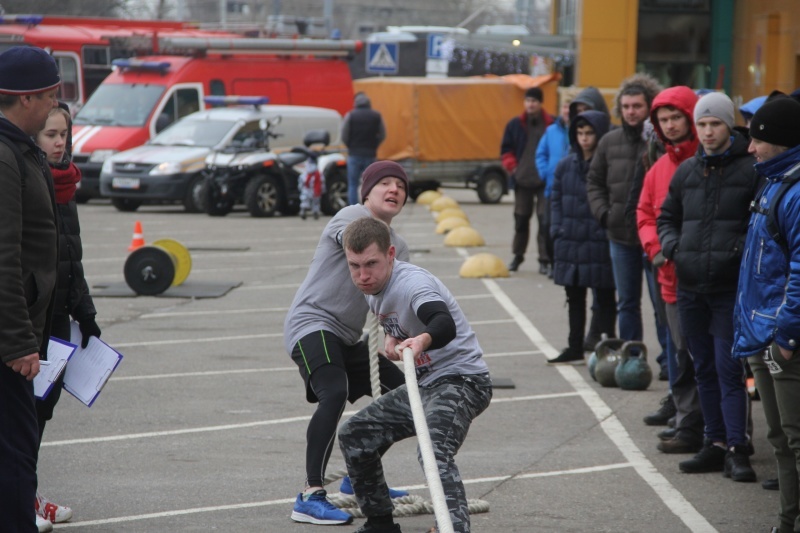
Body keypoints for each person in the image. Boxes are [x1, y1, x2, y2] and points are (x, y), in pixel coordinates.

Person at [338, 216, 492, 533]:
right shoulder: (372, 285)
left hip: (463, 380)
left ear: (391, 255)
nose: (363, 275)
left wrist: (421, 340)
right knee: (355, 434)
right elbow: (400, 321)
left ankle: (454, 529)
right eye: (354, 266)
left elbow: (441, 322)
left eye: (371, 264)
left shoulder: (412, 284)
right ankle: (380, 523)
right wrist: (395, 338)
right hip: (425, 385)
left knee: (433, 450)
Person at [284, 161, 410, 526]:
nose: (394, 189)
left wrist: (400, 335)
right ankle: (310, 494)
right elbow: (352, 237)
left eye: (400, 185)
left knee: (405, 398)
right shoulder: (349, 216)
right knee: (334, 391)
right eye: (384, 183)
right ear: (366, 193)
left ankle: (359, 478)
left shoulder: (399, 247)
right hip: (311, 324)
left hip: (348, 338)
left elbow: (398, 301)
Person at [657, 91, 759, 481]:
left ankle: (737, 447)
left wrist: (738, 252)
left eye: (715, 123)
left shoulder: (750, 170)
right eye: (701, 124)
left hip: (729, 289)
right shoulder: (686, 172)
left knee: (728, 369)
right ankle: (713, 443)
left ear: (729, 125)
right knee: (702, 367)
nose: (707, 131)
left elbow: (759, 227)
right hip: (690, 286)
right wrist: (674, 248)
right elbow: (666, 217)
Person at [732, 94, 800, 533]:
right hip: (763, 334)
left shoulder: (794, 191)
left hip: (781, 338)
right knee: (778, 438)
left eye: (758, 139)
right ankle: (786, 519)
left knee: (795, 438)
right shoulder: (774, 181)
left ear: (781, 140)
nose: (751, 148)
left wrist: (787, 337)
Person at [0, 45, 60, 533]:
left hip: (16, 331)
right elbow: (3, 255)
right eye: (50, 95)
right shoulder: (4, 155)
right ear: (26, 99)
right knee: (16, 453)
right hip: (6, 342)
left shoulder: (19, 149)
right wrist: (18, 341)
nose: (54, 104)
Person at [33, 104, 102, 528]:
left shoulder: (66, 185)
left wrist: (86, 313)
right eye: (50, 134)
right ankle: (20, 498)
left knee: (42, 413)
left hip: (58, 320)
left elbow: (71, 258)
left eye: (63, 134)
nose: (59, 142)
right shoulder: (26, 182)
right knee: (22, 416)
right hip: (29, 319)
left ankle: (28, 493)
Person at [635, 86, 704, 453]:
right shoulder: (659, 168)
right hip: (671, 279)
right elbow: (645, 213)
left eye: (677, 116)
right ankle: (687, 420)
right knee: (680, 352)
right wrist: (658, 251)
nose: (671, 125)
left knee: (712, 357)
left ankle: (718, 431)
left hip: (711, 280)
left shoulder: (710, 162)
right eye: (663, 120)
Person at [586, 73, 662, 356]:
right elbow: (593, 181)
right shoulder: (609, 141)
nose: (631, 112)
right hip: (620, 235)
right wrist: (605, 215)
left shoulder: (659, 139)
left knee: (661, 304)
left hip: (654, 237)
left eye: (637, 106)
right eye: (627, 106)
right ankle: (633, 357)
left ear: (649, 107)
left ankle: (669, 360)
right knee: (627, 303)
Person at [547, 110, 616, 365]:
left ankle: (610, 347)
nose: (585, 138)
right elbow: (554, 200)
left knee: (605, 298)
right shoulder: (565, 165)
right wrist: (557, 230)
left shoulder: (607, 163)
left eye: (589, 133)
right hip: (571, 241)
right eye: (580, 133)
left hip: (599, 241)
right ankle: (574, 346)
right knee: (574, 298)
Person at [500, 86, 554, 273]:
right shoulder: (515, 124)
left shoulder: (550, 124)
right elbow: (506, 150)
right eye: (528, 100)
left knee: (545, 220)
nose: (530, 104)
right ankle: (517, 256)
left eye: (534, 101)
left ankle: (545, 260)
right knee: (521, 220)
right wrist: (513, 168)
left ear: (540, 103)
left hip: (545, 181)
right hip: (522, 180)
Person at [536, 88, 577, 279]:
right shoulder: (551, 130)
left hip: (574, 190)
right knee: (548, 227)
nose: (567, 110)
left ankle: (566, 263)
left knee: (570, 231)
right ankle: (553, 263)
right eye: (565, 106)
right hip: (552, 189)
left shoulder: (580, 130)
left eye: (571, 106)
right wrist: (545, 173)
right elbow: (540, 154)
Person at [341, 92, 386, 206]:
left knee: (352, 184)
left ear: (356, 103)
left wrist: (350, 146)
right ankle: (370, 206)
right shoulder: (376, 116)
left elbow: (344, 135)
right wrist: (375, 145)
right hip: (370, 154)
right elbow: (383, 134)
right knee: (370, 183)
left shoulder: (350, 115)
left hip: (354, 154)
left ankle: (353, 207)